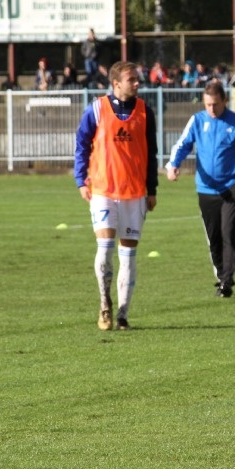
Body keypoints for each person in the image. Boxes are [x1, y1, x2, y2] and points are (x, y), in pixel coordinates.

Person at [74, 61, 158, 331]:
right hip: (103, 190)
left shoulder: (146, 111)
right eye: (131, 79)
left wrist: (152, 189)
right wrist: (80, 180)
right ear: (116, 83)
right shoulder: (97, 109)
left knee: (128, 255)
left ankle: (122, 314)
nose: (137, 83)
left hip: (135, 193)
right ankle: (104, 303)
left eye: (137, 78)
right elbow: (82, 144)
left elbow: (152, 153)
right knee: (106, 247)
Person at [166, 80, 235, 298]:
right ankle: (220, 274)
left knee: (228, 233)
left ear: (224, 101)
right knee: (213, 237)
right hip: (205, 189)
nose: (211, 109)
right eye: (208, 105)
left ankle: (226, 280)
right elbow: (182, 144)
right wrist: (173, 165)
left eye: (215, 104)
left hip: (231, 190)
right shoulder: (197, 120)